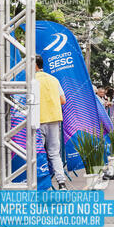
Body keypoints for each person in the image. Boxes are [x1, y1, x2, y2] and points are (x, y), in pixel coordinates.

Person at [35, 55, 67, 190]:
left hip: (38, 120)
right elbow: (63, 100)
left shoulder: (31, 80)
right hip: (54, 119)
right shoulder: (54, 79)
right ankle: (62, 183)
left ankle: (41, 184)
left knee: (37, 153)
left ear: (33, 65)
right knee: (54, 153)